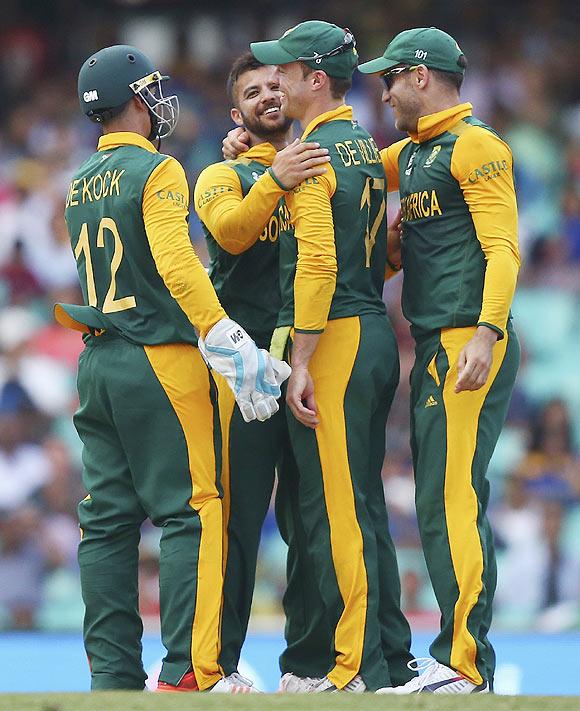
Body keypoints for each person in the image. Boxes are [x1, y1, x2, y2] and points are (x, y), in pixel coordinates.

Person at [55, 44, 289, 693]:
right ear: (134, 100)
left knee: (105, 523)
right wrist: (225, 335)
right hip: (158, 358)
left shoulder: (78, 181)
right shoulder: (157, 169)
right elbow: (177, 263)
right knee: (192, 510)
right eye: (150, 91)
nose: (159, 101)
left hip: (97, 364)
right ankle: (190, 670)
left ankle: (113, 678)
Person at [248, 21, 414, 692]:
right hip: (367, 323)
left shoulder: (317, 154)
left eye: (284, 71)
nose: (276, 82)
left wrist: (306, 357)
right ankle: (382, 654)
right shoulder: (362, 149)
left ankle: (352, 666)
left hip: (338, 334)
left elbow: (316, 259)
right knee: (361, 505)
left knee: (341, 510)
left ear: (316, 79)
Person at [358, 27, 521, 694]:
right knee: (436, 500)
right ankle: (456, 657)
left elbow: (503, 247)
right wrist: (253, 148)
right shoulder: (416, 153)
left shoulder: (475, 145)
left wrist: (485, 332)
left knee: (454, 498)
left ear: (420, 76)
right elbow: (352, 169)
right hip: (434, 343)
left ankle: (465, 663)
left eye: (390, 78)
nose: (385, 91)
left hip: (465, 340)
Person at [193, 51, 330, 690]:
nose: (268, 96)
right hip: (242, 374)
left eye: (276, 85)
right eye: (253, 92)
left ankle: (306, 667)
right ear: (237, 113)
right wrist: (272, 177)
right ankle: (218, 666)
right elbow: (228, 236)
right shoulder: (220, 175)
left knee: (311, 523)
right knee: (237, 522)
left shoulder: (319, 165)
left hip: (307, 366)